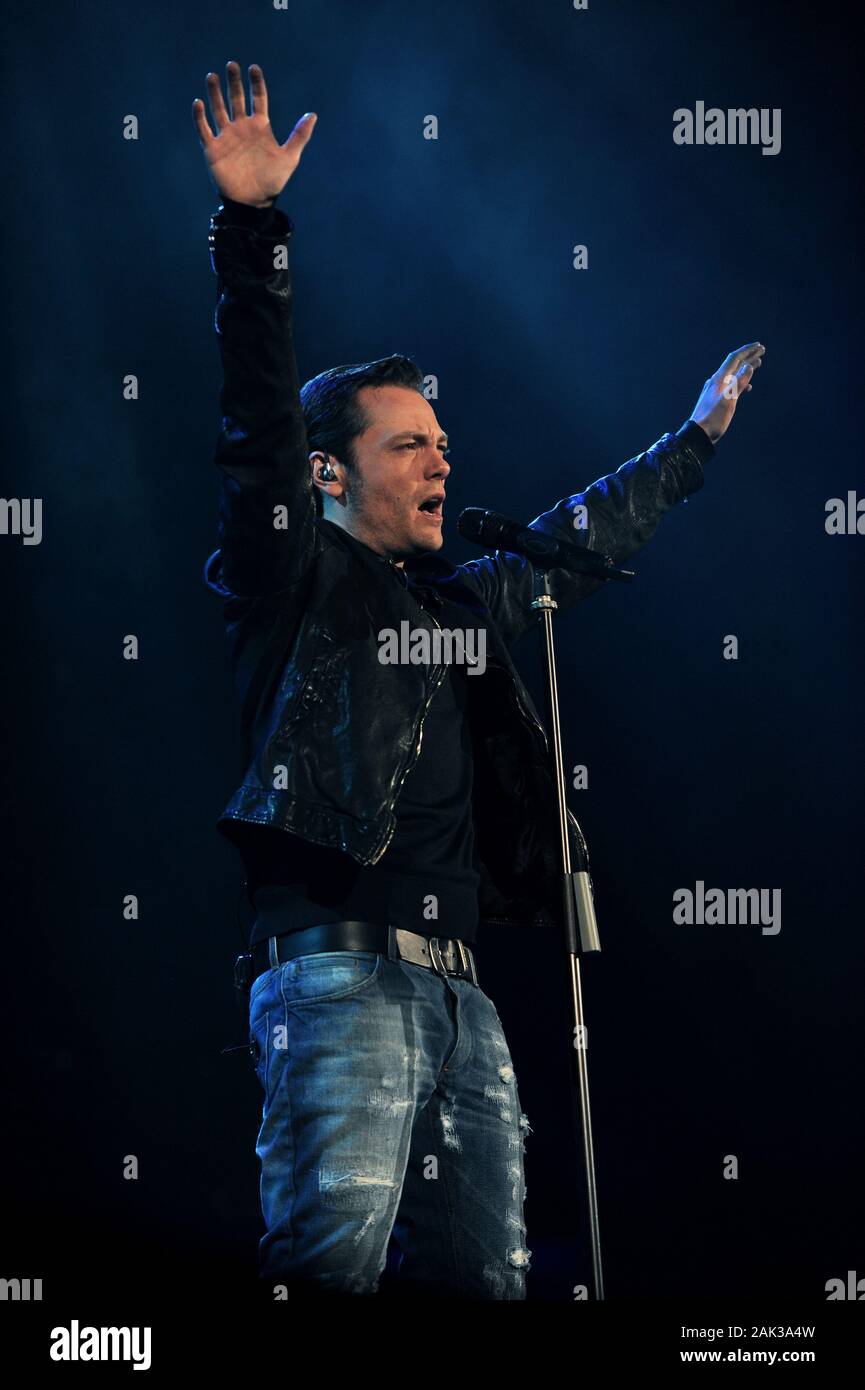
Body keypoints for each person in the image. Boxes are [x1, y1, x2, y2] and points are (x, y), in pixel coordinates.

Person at [193, 60, 764, 1299]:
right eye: (410, 442)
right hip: (338, 973)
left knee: (486, 1285)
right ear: (332, 475)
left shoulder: (459, 604)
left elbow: (578, 539)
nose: (441, 457)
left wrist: (693, 445)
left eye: (444, 442)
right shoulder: (292, 574)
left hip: (463, 997)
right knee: (329, 1266)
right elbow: (253, 425)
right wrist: (251, 229)